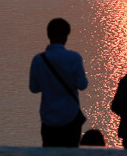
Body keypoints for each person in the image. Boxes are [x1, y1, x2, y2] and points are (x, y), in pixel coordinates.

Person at [29, 17, 88, 147]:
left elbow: (34, 88)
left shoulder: (38, 60)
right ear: (66, 36)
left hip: (48, 118)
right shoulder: (74, 58)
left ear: (48, 34)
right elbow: (82, 85)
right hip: (70, 117)